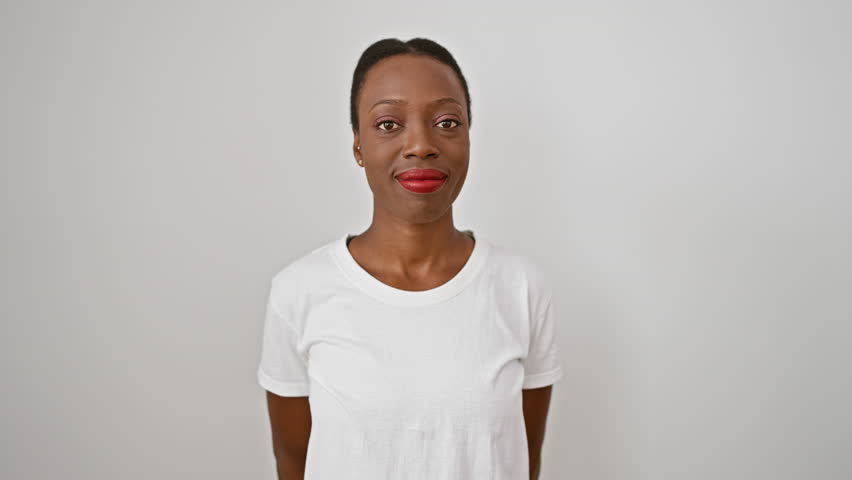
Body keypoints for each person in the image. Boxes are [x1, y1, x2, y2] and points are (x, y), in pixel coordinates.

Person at [257, 37, 563, 479]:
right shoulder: (298, 290)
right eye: (387, 124)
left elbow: (523, 458)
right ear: (358, 145)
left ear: (469, 139)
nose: (420, 144)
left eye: (446, 121)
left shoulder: (521, 286)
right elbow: (292, 459)